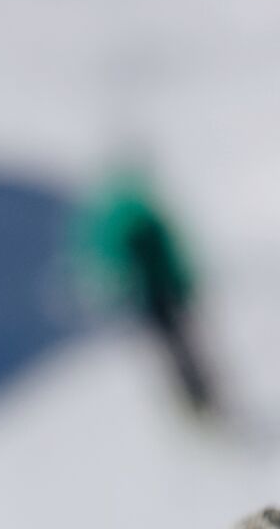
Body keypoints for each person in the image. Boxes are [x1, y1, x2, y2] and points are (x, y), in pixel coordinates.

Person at [74, 161, 211, 408]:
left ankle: (197, 399)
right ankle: (201, 396)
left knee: (177, 350)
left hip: (153, 299)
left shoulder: (123, 223)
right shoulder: (146, 219)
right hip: (166, 294)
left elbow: (117, 266)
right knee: (185, 347)